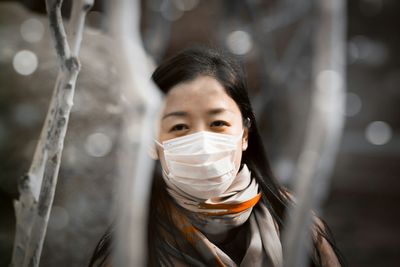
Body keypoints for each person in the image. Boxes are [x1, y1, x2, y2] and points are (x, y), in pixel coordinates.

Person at [88, 46, 345, 267]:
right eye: (179, 127)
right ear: (153, 142)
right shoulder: (128, 249)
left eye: (218, 123)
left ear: (244, 134)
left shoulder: (295, 224)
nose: (203, 143)